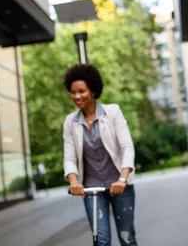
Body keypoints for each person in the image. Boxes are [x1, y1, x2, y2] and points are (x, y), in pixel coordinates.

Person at [63, 63, 137, 246]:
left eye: (81, 91)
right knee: (100, 241)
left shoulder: (112, 112)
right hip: (92, 189)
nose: (77, 96)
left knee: (127, 238)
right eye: (73, 92)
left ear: (93, 91)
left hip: (120, 185)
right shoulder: (70, 122)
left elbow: (127, 146)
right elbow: (69, 157)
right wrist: (74, 181)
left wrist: (123, 178)